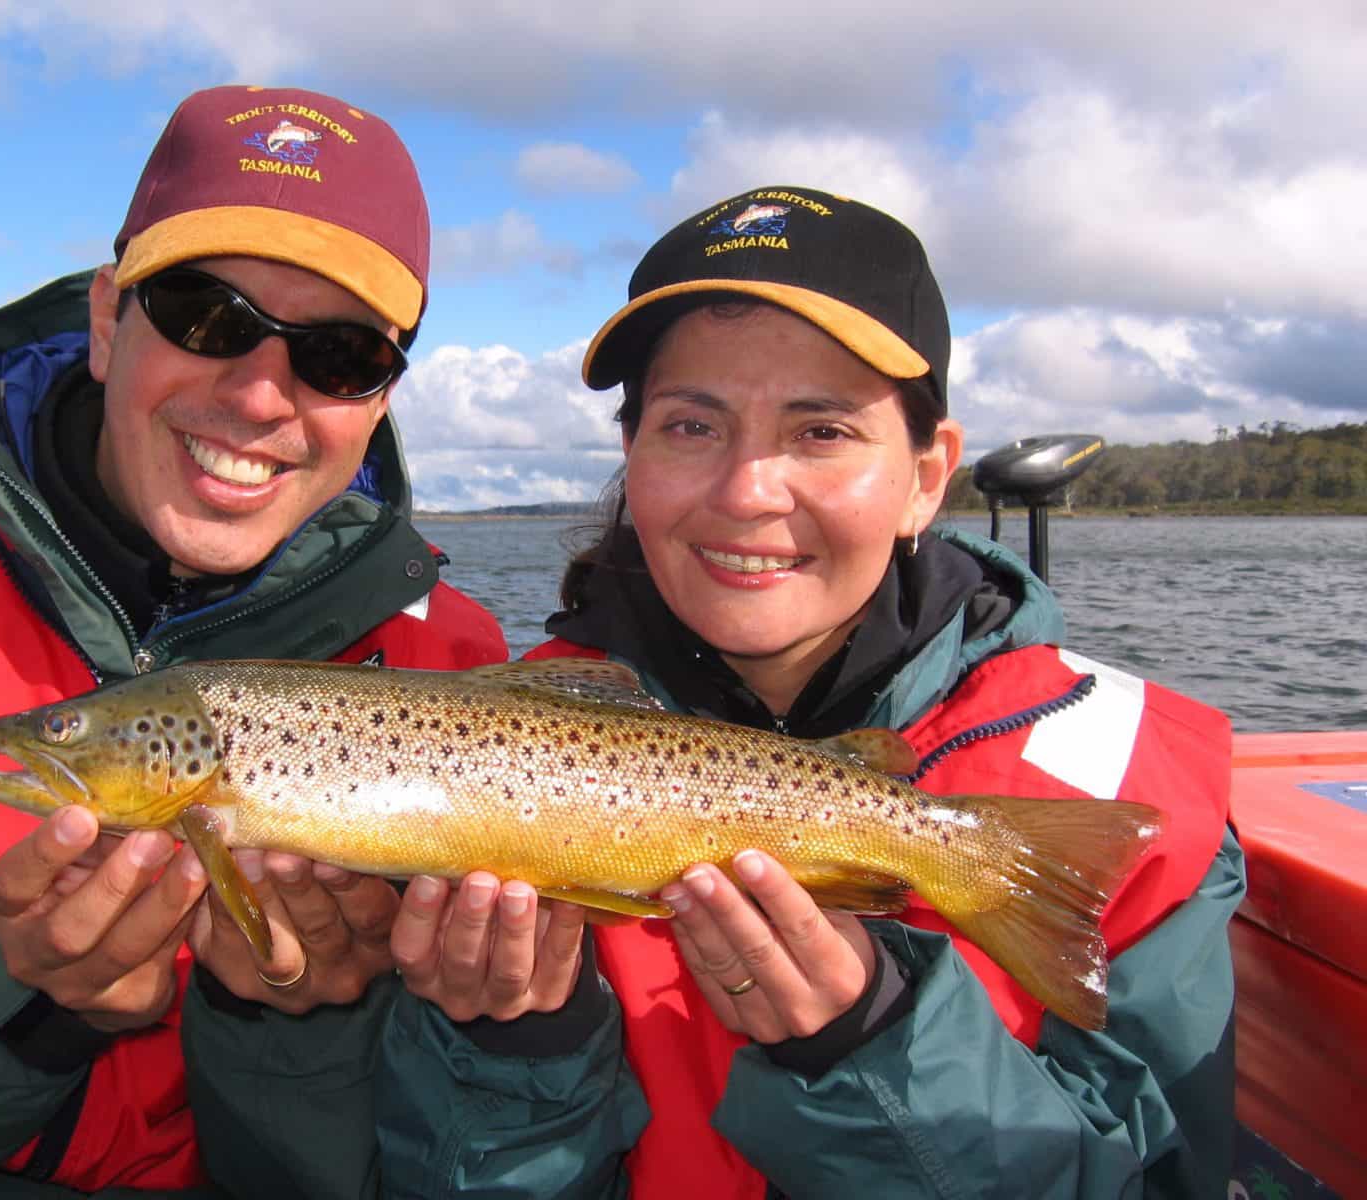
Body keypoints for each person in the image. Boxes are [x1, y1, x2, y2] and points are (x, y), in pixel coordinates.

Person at [0, 85, 638, 1198]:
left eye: (335, 354)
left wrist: (298, 1030)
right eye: (205, 315)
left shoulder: (455, 655)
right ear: (104, 317)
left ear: (380, 399)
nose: (260, 390)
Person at [524, 186, 1243, 1197]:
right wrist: (505, 1048)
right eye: (691, 426)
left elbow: (1165, 1176)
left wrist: (874, 1042)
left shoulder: (1135, 780)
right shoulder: (477, 734)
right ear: (631, 453)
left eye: (820, 432)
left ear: (926, 474)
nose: (746, 492)